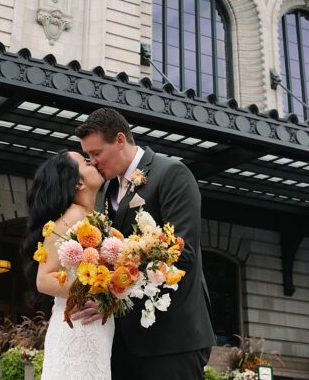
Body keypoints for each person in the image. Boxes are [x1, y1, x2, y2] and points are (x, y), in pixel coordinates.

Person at [73, 107, 214, 380]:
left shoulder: (172, 173)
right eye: (88, 156)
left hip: (173, 340)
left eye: (96, 153)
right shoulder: (107, 189)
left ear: (120, 140)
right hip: (124, 342)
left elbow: (181, 255)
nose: (92, 162)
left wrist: (112, 298)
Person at [24, 150, 112, 380]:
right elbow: (43, 279)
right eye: (85, 161)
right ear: (79, 183)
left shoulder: (94, 218)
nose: (93, 161)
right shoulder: (69, 218)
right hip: (77, 328)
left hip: (95, 329)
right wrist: (95, 290)